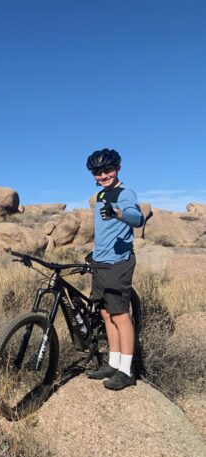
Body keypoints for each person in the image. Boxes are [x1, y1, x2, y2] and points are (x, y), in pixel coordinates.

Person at [84, 149, 144, 390]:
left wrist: (118, 213)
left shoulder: (124, 193)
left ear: (117, 169)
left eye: (107, 170)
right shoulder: (100, 196)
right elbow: (104, 232)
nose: (103, 175)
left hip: (118, 262)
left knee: (120, 314)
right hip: (101, 261)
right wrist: (94, 253)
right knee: (106, 314)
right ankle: (114, 362)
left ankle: (127, 371)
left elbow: (137, 218)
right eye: (98, 172)